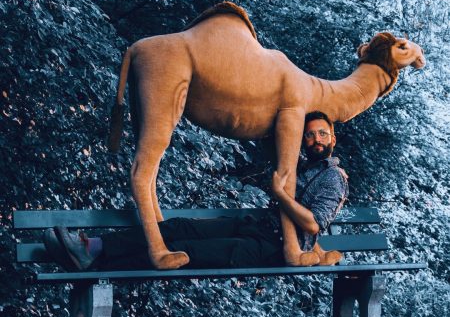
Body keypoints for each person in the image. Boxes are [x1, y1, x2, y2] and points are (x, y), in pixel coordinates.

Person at [43, 111, 348, 271]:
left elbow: (312, 224)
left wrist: (281, 195)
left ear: (333, 137)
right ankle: (92, 247)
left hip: (273, 249)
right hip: (256, 228)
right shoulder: (300, 166)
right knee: (179, 227)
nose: (315, 139)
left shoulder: (333, 178)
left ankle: (94, 264)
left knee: (187, 251)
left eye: (322, 133)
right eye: (309, 135)